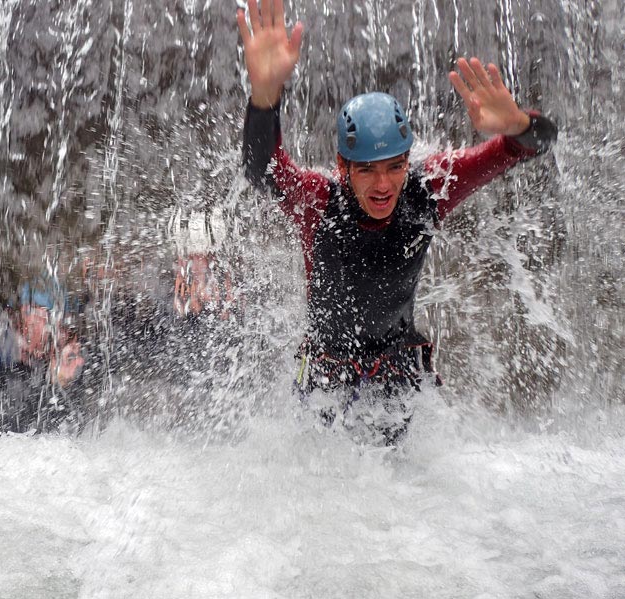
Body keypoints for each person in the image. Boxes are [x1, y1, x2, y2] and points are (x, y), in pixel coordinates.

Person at [237, 0, 557, 442]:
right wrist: (264, 97)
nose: (383, 184)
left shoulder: (429, 187)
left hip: (397, 376)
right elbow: (262, 170)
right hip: (326, 380)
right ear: (342, 166)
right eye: (366, 169)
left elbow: (531, 146)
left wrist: (519, 125)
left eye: (394, 166)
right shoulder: (318, 199)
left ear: (409, 159)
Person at [0, 273, 88, 434]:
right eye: (49, 319)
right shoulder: (1, 349)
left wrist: (57, 381)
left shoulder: (63, 352)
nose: (58, 330)